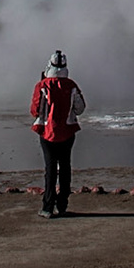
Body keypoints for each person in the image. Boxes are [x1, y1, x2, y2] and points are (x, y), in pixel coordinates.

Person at [29, 49, 85, 218]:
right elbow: (80, 108)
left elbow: (34, 111)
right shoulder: (71, 85)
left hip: (47, 132)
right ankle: (62, 204)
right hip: (67, 132)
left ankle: (47, 207)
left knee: (51, 169)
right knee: (66, 167)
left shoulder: (42, 86)